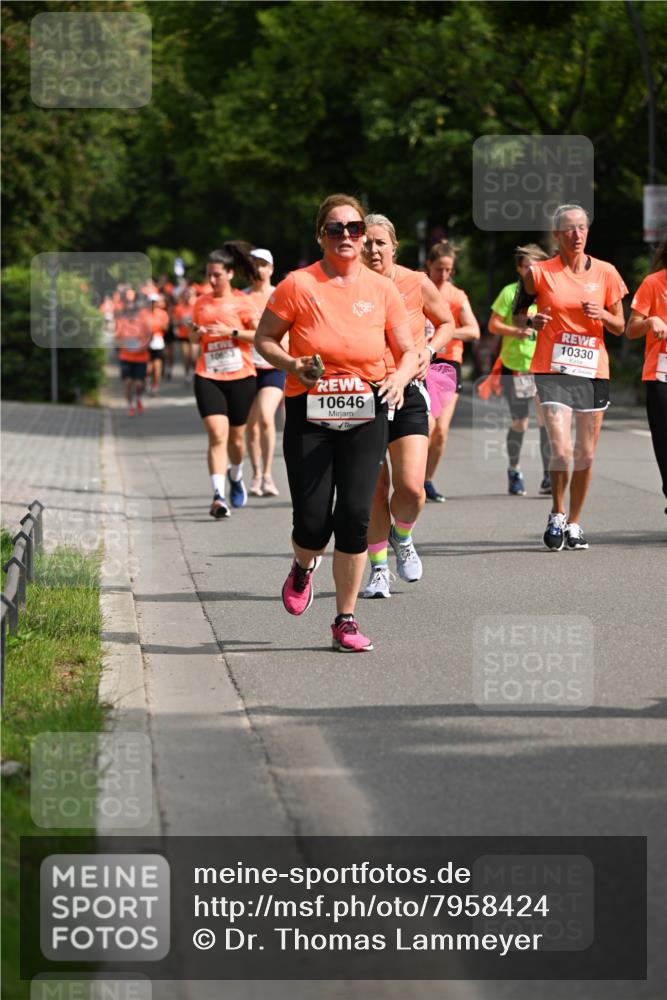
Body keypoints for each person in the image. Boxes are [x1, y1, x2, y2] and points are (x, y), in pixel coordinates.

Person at [254, 193, 417, 652]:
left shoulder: (382, 290)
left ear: (364, 235)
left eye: (355, 229)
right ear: (320, 235)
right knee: (311, 522)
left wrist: (400, 379)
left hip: (365, 410)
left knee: (354, 517)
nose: (346, 236)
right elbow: (263, 338)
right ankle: (304, 566)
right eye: (336, 229)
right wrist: (291, 364)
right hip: (310, 410)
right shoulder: (297, 285)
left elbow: (408, 351)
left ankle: (345, 619)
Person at [514, 204, 627, 550]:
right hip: (553, 368)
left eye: (581, 228)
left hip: (593, 371)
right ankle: (557, 512)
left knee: (586, 453)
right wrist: (531, 323)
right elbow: (518, 315)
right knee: (562, 450)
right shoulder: (539, 273)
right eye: (568, 229)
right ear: (557, 235)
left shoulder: (607, 273)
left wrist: (605, 314)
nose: (576, 235)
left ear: (587, 232)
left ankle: (575, 522)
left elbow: (621, 327)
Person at [360, 213, 455, 598]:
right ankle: (379, 569)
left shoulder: (416, 282)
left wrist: (429, 351)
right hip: (363, 391)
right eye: (366, 242)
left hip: (409, 387)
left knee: (412, 488)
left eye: (380, 242)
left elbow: (446, 321)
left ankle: (403, 535)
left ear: (394, 247)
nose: (373, 248)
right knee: (374, 487)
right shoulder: (350, 287)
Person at [190, 243, 259, 518]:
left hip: (241, 376)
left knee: (236, 440)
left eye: (217, 274)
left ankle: (236, 474)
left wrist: (229, 331)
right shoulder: (201, 302)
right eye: (209, 274)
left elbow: (258, 336)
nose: (212, 280)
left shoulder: (243, 301)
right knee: (217, 434)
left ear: (230, 274)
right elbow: (193, 337)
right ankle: (218, 496)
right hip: (208, 374)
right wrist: (195, 335)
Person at [488, 243, 552, 496]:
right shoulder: (509, 292)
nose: (531, 272)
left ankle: (549, 475)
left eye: (535, 267)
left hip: (543, 366)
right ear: (518, 268)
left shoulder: (549, 293)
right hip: (516, 366)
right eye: (527, 267)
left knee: (546, 421)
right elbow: (493, 325)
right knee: (520, 422)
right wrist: (517, 330)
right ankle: (514, 470)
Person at [423, 242, 480, 502]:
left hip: (448, 364)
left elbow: (474, 331)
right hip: (421, 362)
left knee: (441, 431)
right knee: (427, 424)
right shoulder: (418, 289)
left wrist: (444, 333)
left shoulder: (457, 296)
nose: (443, 275)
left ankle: (427, 481)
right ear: (428, 266)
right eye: (438, 269)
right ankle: (411, 477)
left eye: (448, 270)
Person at [625, 238, 667, 511]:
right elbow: (631, 329)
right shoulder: (653, 283)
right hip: (661, 373)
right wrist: (650, 321)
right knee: (665, 443)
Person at [244, 248, 285, 497]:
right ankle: (256, 473)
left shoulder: (279, 295)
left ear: (270, 268)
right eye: (253, 265)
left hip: (273, 367)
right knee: (251, 425)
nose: (258, 269)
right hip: (247, 367)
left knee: (266, 417)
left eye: (262, 265)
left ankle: (268, 475)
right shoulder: (241, 298)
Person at [115, 292, 152, 416]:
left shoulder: (142, 322)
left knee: (138, 384)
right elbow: (117, 339)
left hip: (141, 357)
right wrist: (123, 345)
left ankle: (138, 397)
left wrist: (143, 347)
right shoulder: (121, 322)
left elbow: (149, 336)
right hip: (126, 356)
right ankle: (130, 405)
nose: (130, 313)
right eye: (128, 310)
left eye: (132, 310)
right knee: (128, 383)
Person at [148, 293, 170, 395]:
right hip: (146, 342)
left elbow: (166, 328)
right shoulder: (143, 314)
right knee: (148, 368)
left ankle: (155, 386)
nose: (152, 304)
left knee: (157, 366)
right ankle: (148, 381)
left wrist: (160, 325)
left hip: (157, 341)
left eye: (154, 302)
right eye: (150, 302)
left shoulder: (162, 314)